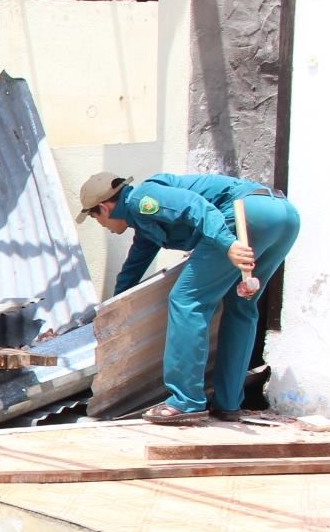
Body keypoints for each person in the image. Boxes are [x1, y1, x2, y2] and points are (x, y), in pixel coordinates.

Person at [79, 171, 301, 425]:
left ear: (105, 208)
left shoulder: (142, 198)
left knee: (187, 300)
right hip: (283, 217)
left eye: (96, 219)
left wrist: (228, 244)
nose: (103, 227)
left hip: (246, 214)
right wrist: (112, 311)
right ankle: (229, 404)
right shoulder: (145, 224)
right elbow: (133, 267)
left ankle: (185, 402)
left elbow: (197, 207)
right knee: (242, 305)